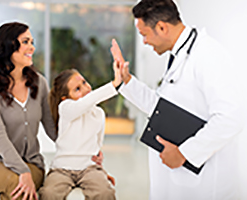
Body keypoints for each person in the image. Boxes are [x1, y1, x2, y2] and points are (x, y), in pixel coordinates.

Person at [111, 0, 244, 199]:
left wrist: (185, 153)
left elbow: (232, 117)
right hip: (178, 181)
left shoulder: (208, 55)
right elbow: (161, 108)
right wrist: (126, 81)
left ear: (162, 27)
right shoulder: (180, 55)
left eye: (144, 34)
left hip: (205, 186)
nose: (145, 42)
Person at [0, 22, 57, 200]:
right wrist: (21, 171)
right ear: (9, 47)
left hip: (31, 164)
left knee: (20, 186)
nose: (32, 47)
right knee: (17, 183)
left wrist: (85, 150)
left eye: (32, 41)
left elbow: (52, 128)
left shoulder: (39, 83)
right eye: (25, 42)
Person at [38, 64, 121, 200]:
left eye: (84, 82)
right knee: (49, 193)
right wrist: (114, 84)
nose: (85, 88)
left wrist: (101, 170)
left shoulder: (99, 113)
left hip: (89, 169)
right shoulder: (65, 108)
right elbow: (84, 103)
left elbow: (97, 145)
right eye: (77, 89)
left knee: (105, 193)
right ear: (66, 98)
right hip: (62, 169)